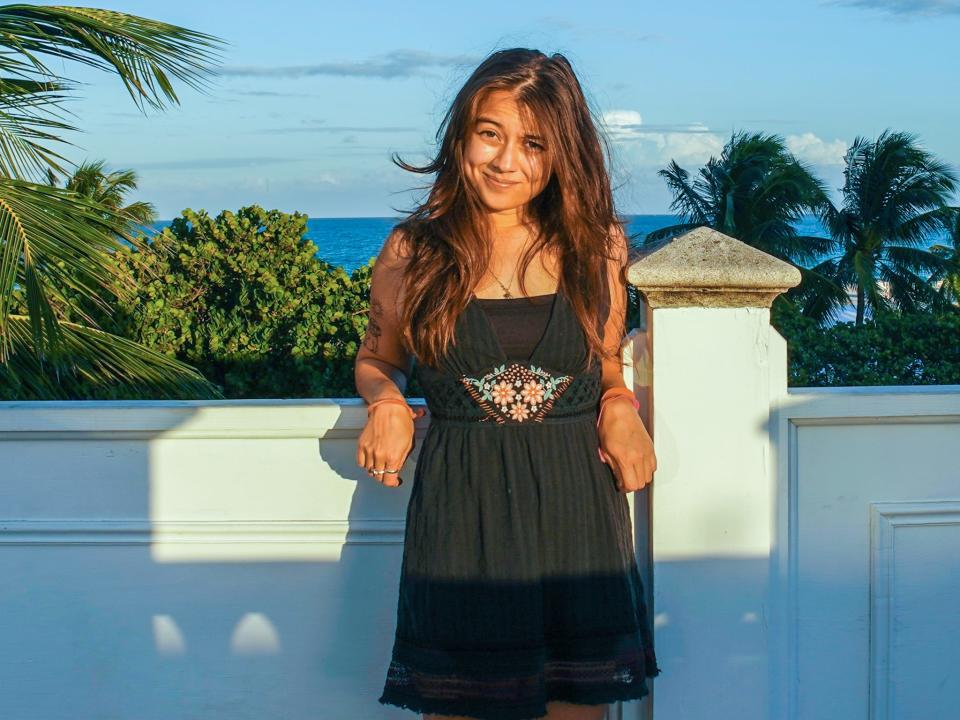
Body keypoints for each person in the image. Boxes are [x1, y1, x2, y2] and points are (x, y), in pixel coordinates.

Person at [354, 47, 661, 720]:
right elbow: (379, 358)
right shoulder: (414, 250)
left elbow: (606, 359)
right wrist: (386, 401)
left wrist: (617, 402)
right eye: (489, 134)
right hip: (464, 518)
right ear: (462, 135)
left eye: (532, 143)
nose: (505, 160)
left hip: (576, 510)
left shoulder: (597, 246)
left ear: (561, 156)